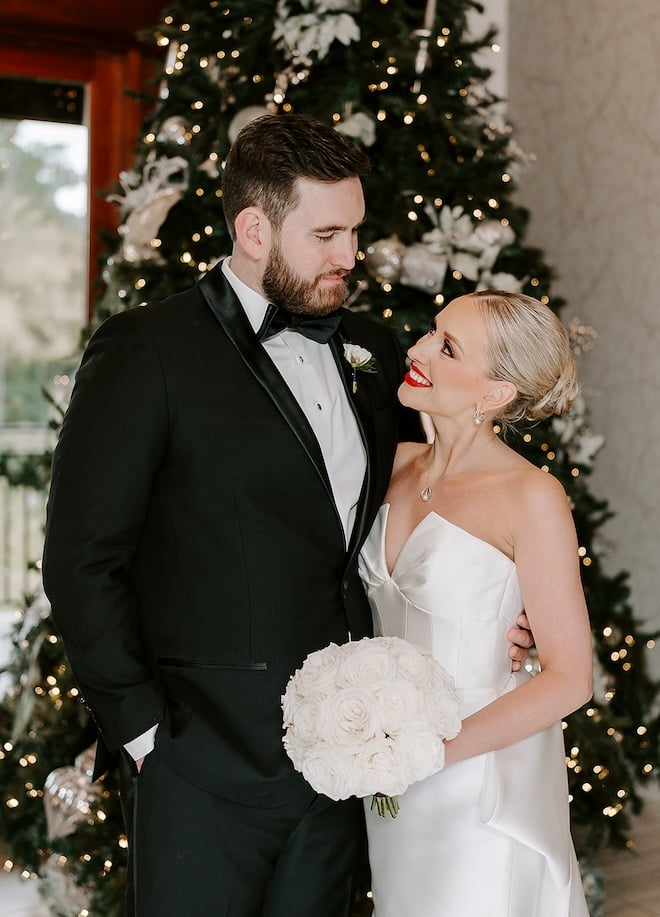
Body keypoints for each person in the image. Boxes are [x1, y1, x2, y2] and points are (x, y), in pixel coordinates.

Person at [41, 114, 532, 917]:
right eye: (327, 233)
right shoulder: (146, 350)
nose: (350, 255)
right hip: (201, 766)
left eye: (357, 231)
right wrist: (146, 741)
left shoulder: (373, 351)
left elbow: (444, 498)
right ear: (254, 228)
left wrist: (512, 610)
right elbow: (81, 560)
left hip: (347, 760)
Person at [358, 289, 593, 916]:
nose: (417, 350)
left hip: (479, 778)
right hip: (388, 773)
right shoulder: (392, 464)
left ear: (495, 395)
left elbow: (571, 679)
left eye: (447, 347)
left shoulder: (531, 496)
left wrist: (431, 751)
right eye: (432, 333)